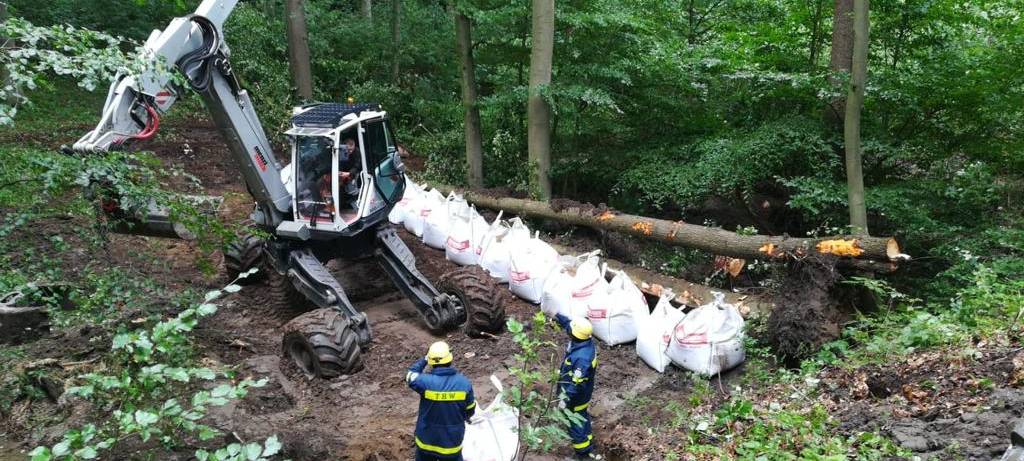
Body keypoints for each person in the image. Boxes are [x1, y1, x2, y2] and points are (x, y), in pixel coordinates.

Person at [406, 341, 477, 460]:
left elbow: (410, 375)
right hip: (451, 446)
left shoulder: (425, 382)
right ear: (450, 359)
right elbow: (470, 411)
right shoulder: (464, 384)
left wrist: (425, 359)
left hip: (426, 443)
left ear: (431, 361)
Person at [553, 313, 600, 460]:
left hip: (576, 397)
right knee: (582, 416)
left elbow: (575, 384)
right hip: (582, 394)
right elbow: (569, 326)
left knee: (574, 421)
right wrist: (558, 316)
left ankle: (582, 453)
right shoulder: (584, 340)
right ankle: (588, 440)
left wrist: (565, 400)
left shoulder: (582, 358)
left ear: (575, 335)